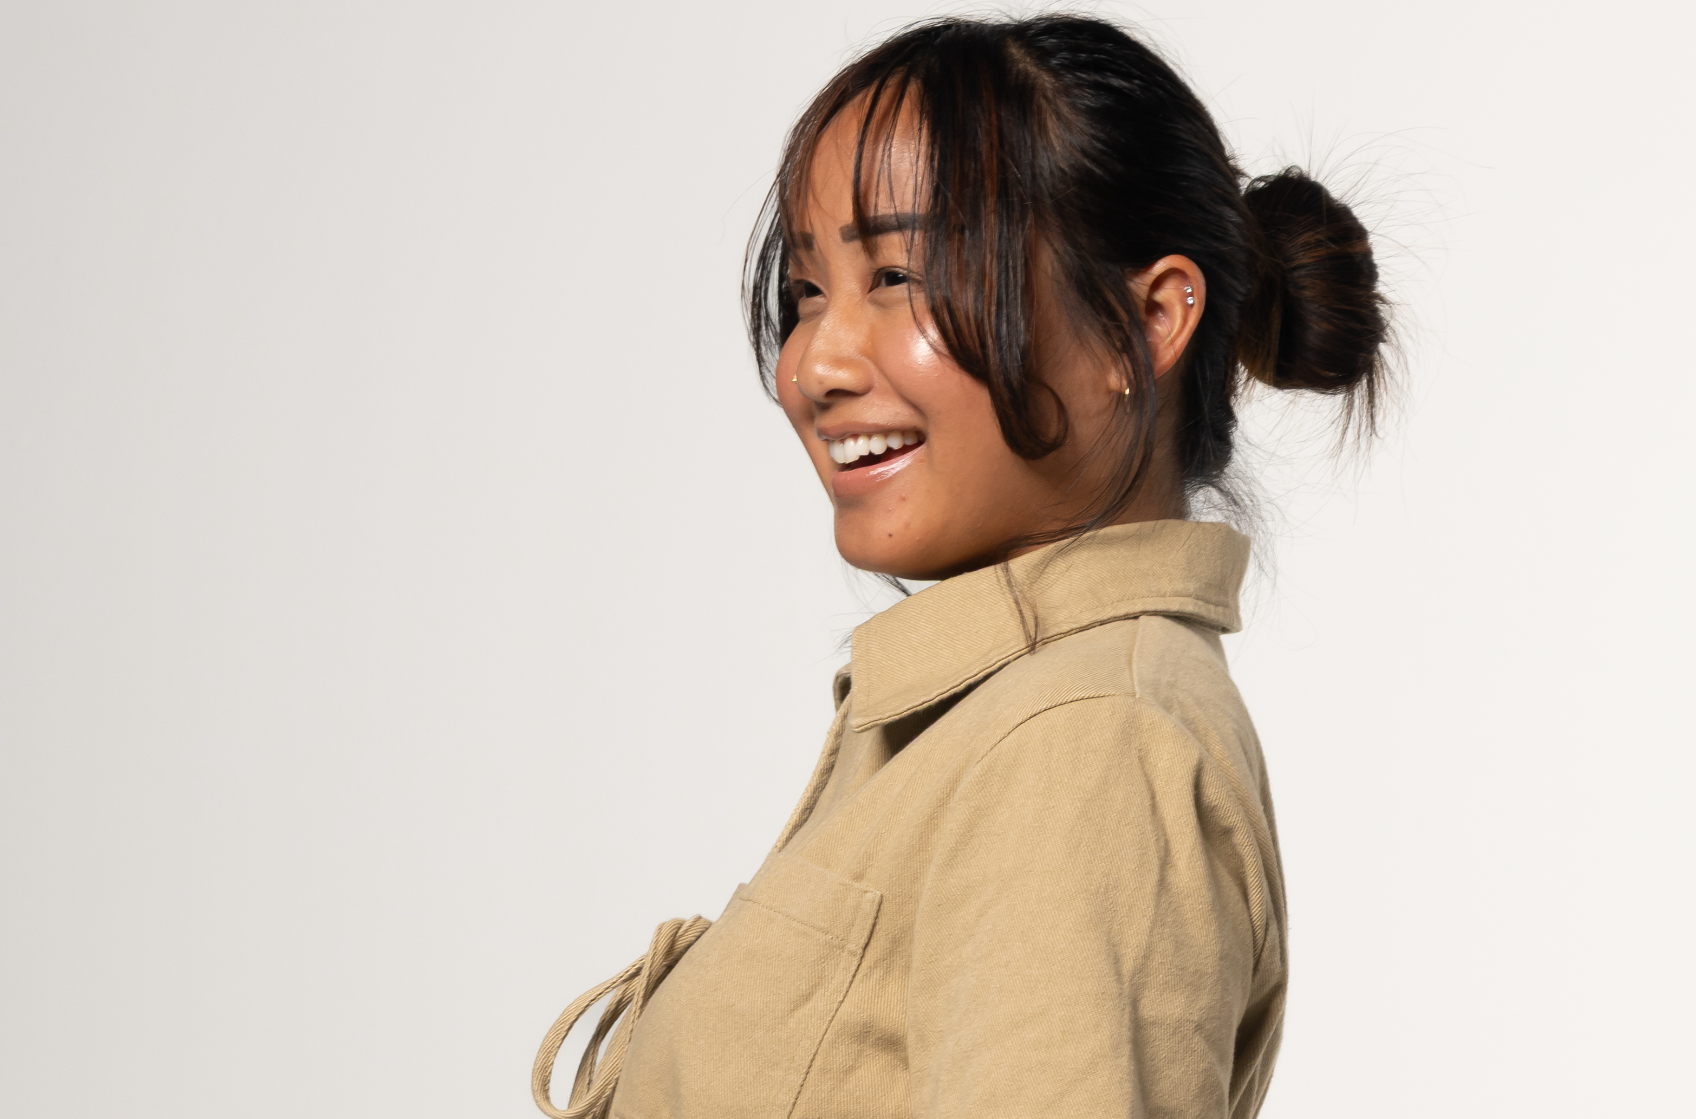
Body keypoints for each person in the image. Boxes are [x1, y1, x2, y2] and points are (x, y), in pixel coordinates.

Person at [533, 13, 1387, 1119]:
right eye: (803, 292)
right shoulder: (1001, 720)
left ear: (1150, 316)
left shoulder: (1084, 744)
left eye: (897, 275)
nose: (812, 364)